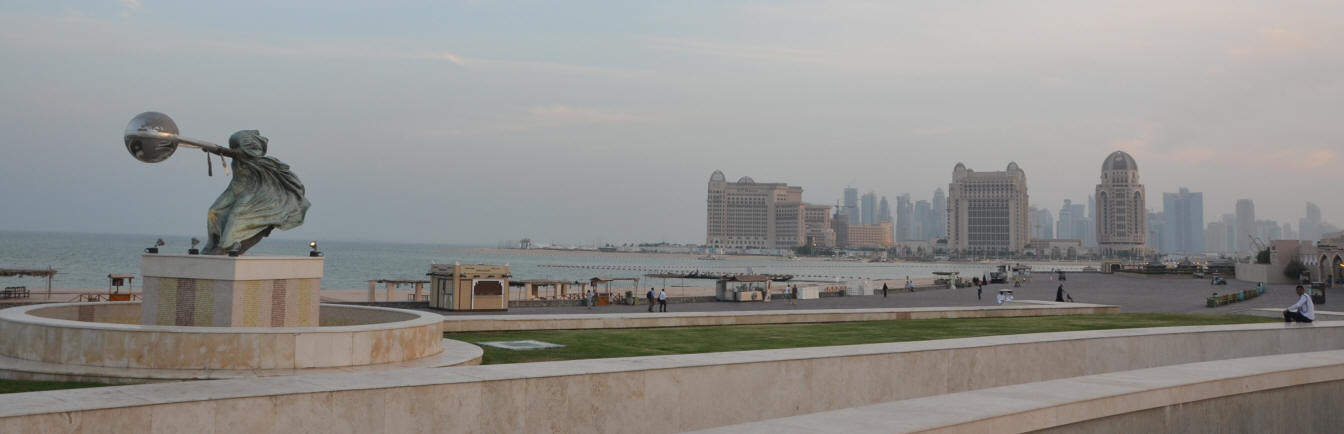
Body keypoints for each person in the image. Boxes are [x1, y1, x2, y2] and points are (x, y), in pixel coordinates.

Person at [203, 130, 311, 255]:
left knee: (236, 215)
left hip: (252, 192)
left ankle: (224, 246)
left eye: (238, 147)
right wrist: (212, 149)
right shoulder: (237, 156)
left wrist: (215, 149)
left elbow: (229, 152)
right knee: (214, 211)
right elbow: (228, 152)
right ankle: (213, 243)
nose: (236, 149)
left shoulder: (253, 158)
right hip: (234, 190)